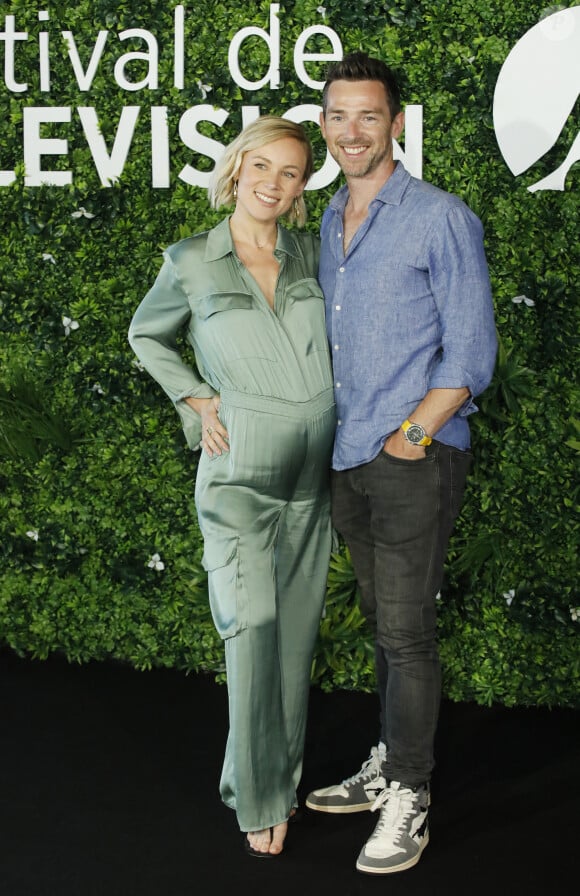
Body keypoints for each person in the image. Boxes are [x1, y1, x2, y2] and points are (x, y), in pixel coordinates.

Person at [305, 53, 497, 875]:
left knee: (409, 633)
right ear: (324, 128)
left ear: (397, 124)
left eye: (369, 116)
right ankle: (388, 764)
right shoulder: (325, 221)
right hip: (348, 458)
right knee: (386, 630)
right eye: (339, 116)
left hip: (412, 457)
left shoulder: (439, 217)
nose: (354, 131)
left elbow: (473, 350)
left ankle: (411, 795)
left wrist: (412, 436)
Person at [128, 116, 336, 858]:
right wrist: (194, 397)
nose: (274, 184)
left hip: (314, 488)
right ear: (237, 168)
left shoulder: (315, 253)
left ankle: (280, 779)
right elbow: (147, 334)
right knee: (251, 632)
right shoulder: (190, 260)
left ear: (302, 186)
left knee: (294, 640)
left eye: (292, 173)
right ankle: (257, 795)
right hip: (239, 482)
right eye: (263, 167)